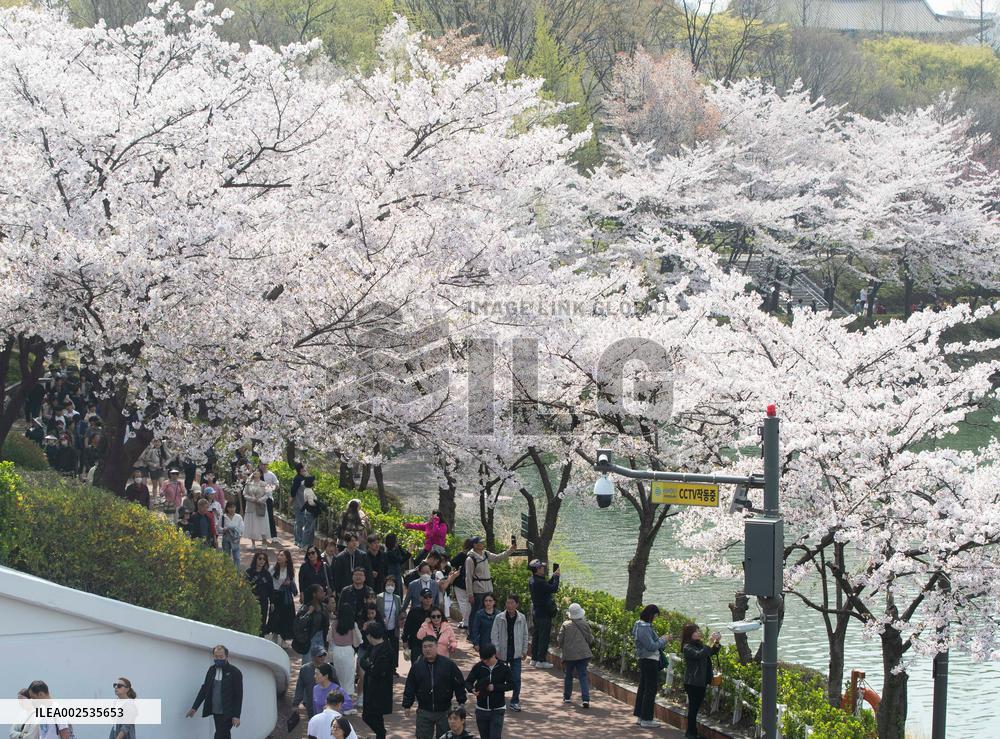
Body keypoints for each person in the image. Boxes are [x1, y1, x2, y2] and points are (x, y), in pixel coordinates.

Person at [401, 636, 467, 739]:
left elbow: (458, 683)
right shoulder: (417, 666)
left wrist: (461, 701)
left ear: (436, 647)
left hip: (444, 711)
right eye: (425, 647)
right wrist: (407, 705)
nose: (427, 649)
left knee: (445, 737)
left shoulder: (448, 664)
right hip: (424, 710)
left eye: (430, 646)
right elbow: (410, 686)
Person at [186, 645, 243, 739]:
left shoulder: (235, 672)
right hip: (216, 711)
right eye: (216, 657)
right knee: (224, 735)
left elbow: (239, 695)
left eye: (221, 657)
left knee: (219, 735)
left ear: (226, 657)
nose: (218, 659)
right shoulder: (211, 670)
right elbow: (204, 689)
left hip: (228, 713)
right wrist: (194, 707)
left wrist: (236, 715)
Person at [465, 643, 515, 739]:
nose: (485, 662)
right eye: (483, 660)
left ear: (494, 655)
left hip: (497, 709)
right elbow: (468, 682)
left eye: (487, 660)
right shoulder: (478, 667)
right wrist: (472, 690)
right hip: (481, 709)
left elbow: (511, 685)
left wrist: (495, 687)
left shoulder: (503, 668)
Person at [632, 604, 670, 729]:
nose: (655, 618)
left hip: (645, 660)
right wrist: (663, 640)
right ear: (651, 615)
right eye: (655, 616)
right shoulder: (643, 627)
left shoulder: (639, 625)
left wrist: (659, 641)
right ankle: (646, 718)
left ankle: (640, 716)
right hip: (649, 660)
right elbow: (651, 646)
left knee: (644, 688)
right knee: (650, 690)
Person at [681, 624, 722, 739]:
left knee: (695, 707)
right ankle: (691, 733)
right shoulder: (687, 647)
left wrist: (717, 642)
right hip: (693, 682)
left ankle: (692, 732)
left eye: (698, 631)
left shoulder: (699, 645)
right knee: (693, 708)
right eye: (695, 632)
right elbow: (700, 655)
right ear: (689, 634)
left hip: (701, 681)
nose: (698, 633)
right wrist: (710, 642)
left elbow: (711, 652)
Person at [489, 594, 528, 712]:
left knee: (516, 678)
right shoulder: (499, 617)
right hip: (501, 653)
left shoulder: (522, 618)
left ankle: (515, 701)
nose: (509, 605)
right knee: (498, 677)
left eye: (512, 603)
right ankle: (497, 699)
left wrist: (524, 650)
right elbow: (494, 634)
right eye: (508, 603)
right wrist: (495, 650)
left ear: (517, 604)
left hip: (516, 653)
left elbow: (525, 635)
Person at [464, 536, 514, 626]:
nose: (483, 544)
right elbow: (468, 577)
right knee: (477, 612)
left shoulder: (485, 554)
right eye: (481, 542)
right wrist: (470, 594)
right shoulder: (470, 559)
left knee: (490, 611)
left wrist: (510, 551)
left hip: (489, 589)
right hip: (478, 590)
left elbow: (497, 558)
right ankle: (472, 633)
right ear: (475, 545)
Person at [361, 622, 393, 739]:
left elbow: (378, 671)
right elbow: (362, 661)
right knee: (375, 717)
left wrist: (369, 666)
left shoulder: (386, 649)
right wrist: (370, 666)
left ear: (369, 635)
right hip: (371, 688)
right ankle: (380, 734)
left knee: (369, 716)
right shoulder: (372, 647)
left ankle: (381, 733)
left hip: (380, 691)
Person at [558, 603, 594, 708]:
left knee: (568, 675)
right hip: (583, 654)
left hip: (569, 655)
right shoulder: (585, 623)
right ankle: (586, 699)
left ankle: (567, 697)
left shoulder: (565, 624)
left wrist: (562, 646)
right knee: (583, 675)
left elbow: (560, 639)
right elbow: (590, 639)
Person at [527, 560, 560, 668]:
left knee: (536, 636)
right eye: (541, 567)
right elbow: (554, 589)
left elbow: (546, 588)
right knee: (544, 637)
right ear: (536, 569)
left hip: (537, 612)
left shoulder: (533, 580)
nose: (543, 568)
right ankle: (541, 660)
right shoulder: (539, 582)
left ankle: (534, 658)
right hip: (544, 613)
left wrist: (552, 577)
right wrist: (556, 577)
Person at [293, 645, 339, 720]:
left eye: (324, 655)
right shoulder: (305, 669)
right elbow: (300, 687)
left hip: (327, 704)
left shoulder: (330, 669)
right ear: (313, 657)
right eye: (320, 656)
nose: (323, 657)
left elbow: (337, 687)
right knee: (314, 723)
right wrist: (296, 704)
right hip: (311, 703)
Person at [329, 600, 361, 707]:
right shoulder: (352, 625)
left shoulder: (334, 624)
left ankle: (339, 704)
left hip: (337, 651)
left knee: (339, 677)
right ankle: (348, 704)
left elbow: (329, 638)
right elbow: (357, 641)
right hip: (348, 651)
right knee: (349, 678)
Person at [266, 548, 298, 644]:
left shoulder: (290, 570)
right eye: (279, 555)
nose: (279, 557)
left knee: (286, 618)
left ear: (287, 558)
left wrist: (289, 583)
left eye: (282, 555)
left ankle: (284, 638)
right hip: (276, 596)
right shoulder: (272, 569)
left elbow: (293, 583)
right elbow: (268, 582)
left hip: (286, 597)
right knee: (275, 617)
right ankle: (274, 637)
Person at [293, 584, 331, 657]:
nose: (324, 594)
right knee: (309, 663)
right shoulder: (306, 608)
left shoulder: (324, 607)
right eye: (321, 592)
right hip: (310, 639)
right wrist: (308, 613)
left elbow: (326, 625)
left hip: (321, 639)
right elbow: (299, 624)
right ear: (314, 594)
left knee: (320, 663)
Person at [376, 575, 403, 672]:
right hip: (382, 627)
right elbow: (376, 611)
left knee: (394, 648)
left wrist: (401, 618)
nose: (390, 586)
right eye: (388, 584)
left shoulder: (397, 598)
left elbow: (400, 611)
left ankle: (393, 668)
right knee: (382, 647)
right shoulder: (379, 597)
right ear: (385, 585)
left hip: (393, 627)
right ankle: (381, 667)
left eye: (392, 584)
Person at [245, 550, 274, 637]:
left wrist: (272, 602)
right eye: (260, 558)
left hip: (263, 602)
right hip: (252, 601)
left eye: (264, 559)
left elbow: (271, 589)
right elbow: (244, 587)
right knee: (251, 620)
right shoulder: (249, 572)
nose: (262, 561)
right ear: (256, 559)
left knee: (262, 621)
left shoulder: (267, 574)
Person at [241, 469, 270, 548]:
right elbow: (244, 494)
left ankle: (264, 543)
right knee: (251, 525)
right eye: (254, 472)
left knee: (262, 525)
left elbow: (267, 494)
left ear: (260, 474)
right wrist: (252, 499)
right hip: (251, 507)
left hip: (260, 507)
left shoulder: (265, 484)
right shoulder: (248, 484)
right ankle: (253, 544)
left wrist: (260, 500)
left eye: (257, 472)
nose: (255, 473)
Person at [403, 589, 435, 660]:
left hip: (431, 643)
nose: (428, 599)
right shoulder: (414, 611)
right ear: (421, 598)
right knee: (416, 665)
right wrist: (405, 640)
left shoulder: (436, 611)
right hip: (416, 643)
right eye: (426, 597)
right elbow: (407, 627)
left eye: (430, 597)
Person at [340, 567, 375, 632]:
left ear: (365, 578)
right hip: (349, 624)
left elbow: (373, 608)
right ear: (352, 577)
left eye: (360, 575)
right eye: (355, 575)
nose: (358, 577)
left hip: (365, 623)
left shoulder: (369, 590)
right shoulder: (345, 591)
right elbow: (340, 608)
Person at [450, 539, 474, 630]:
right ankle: (467, 620)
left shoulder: (462, 555)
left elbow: (451, 562)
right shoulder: (475, 556)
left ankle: (466, 621)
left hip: (460, 582)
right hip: (472, 582)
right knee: (469, 603)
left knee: (463, 602)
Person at [220, 501, 244, 569]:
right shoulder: (223, 517)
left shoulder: (238, 517)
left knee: (237, 557)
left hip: (235, 539)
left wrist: (238, 534)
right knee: (226, 557)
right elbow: (218, 528)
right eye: (230, 507)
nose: (232, 509)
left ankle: (237, 574)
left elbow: (242, 528)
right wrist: (224, 529)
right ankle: (227, 573)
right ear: (227, 508)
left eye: (233, 507)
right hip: (226, 538)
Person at [291, 462, 308, 548]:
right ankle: (298, 540)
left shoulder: (302, 478)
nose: (305, 469)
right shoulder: (298, 479)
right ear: (301, 469)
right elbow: (293, 491)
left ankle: (297, 539)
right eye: (304, 468)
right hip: (299, 503)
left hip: (302, 503)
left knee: (299, 521)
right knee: (299, 521)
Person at [301, 475, 321, 549]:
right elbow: (311, 502)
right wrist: (318, 503)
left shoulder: (307, 489)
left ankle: (308, 544)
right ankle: (305, 544)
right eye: (313, 480)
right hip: (310, 512)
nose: (315, 482)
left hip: (309, 511)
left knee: (309, 529)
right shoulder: (309, 491)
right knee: (309, 529)